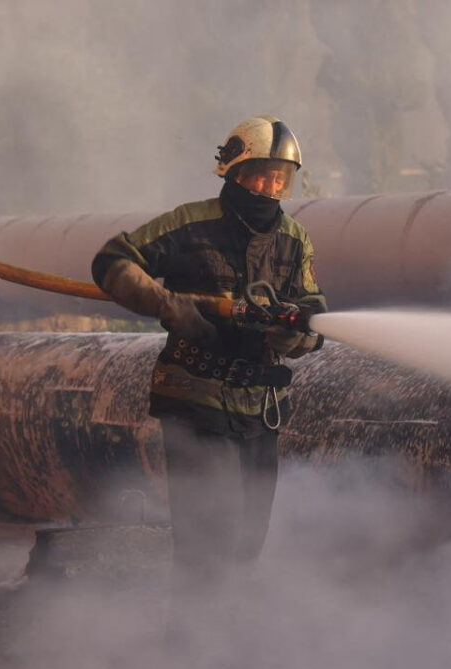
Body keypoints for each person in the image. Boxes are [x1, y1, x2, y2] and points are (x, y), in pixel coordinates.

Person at [91, 116, 326, 606]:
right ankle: (191, 647)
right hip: (196, 398)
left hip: (261, 407)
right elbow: (113, 260)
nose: (272, 186)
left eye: (281, 177)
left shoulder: (294, 240)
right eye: (262, 174)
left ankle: (227, 644)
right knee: (207, 538)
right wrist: (168, 306)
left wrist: (291, 335)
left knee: (248, 538)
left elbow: (311, 314)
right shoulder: (188, 224)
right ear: (234, 172)